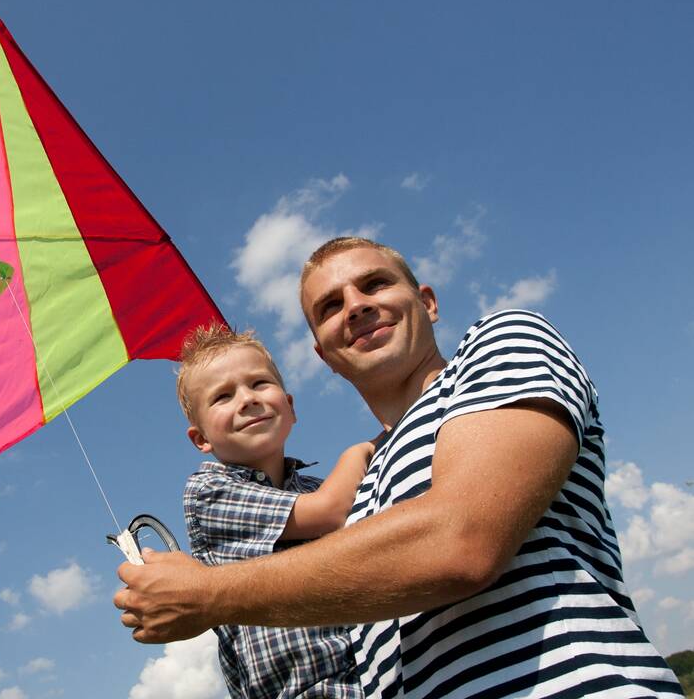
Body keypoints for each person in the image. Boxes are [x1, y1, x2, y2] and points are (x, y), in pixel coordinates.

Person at [117, 238, 683, 698]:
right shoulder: (361, 492)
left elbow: (461, 540)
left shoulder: (497, 345)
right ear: (323, 354)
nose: (356, 305)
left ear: (428, 302)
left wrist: (208, 594)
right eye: (330, 307)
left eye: (375, 283)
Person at [176, 324, 371, 698]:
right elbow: (330, 511)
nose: (247, 399)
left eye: (259, 383)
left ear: (291, 406)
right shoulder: (209, 491)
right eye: (223, 396)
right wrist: (363, 448)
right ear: (201, 438)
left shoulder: (315, 487)